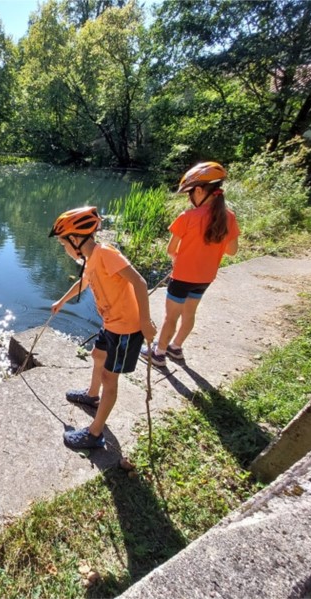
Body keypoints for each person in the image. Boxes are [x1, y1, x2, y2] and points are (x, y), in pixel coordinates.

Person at [49, 207, 156, 450]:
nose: (64, 249)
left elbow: (139, 281)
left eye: (64, 243)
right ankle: (91, 395)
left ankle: (95, 434)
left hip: (126, 328)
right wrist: (61, 302)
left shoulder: (106, 253)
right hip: (110, 323)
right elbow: (84, 283)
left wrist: (145, 322)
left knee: (110, 378)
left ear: (75, 240)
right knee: (97, 355)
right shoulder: (89, 260)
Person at [141, 161, 240, 368]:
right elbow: (232, 251)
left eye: (190, 193)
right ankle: (175, 347)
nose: (189, 198)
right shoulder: (229, 217)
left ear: (199, 190)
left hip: (183, 277)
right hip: (205, 278)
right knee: (190, 313)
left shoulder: (187, 217)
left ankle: (158, 354)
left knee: (170, 317)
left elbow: (170, 250)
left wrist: (179, 258)